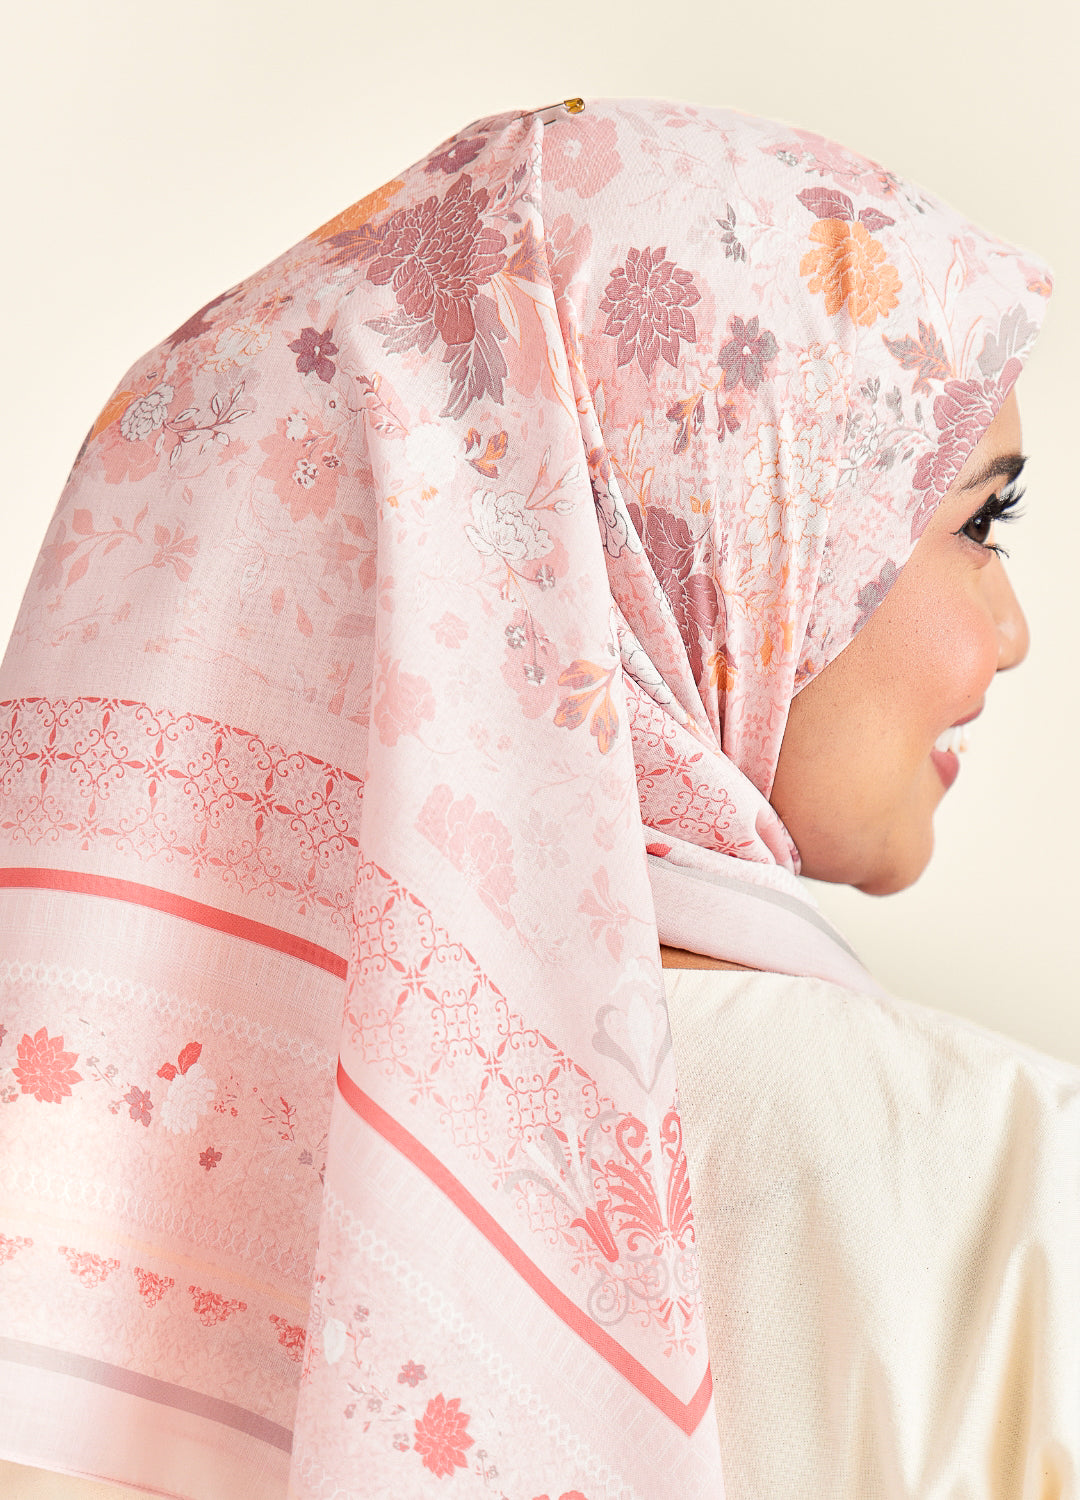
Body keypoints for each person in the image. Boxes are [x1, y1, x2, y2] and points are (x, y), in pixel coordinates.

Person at [0, 96, 1068, 1500]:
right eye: (977, 524)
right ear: (718, 532)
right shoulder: (997, 1178)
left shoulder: (89, 1158)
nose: (1012, 635)